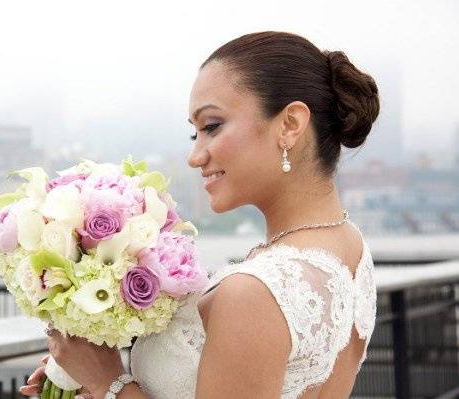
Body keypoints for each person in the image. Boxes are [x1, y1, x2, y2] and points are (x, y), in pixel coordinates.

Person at [19, 31, 379, 398]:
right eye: (195, 134)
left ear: (289, 125)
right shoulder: (349, 248)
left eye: (211, 126)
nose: (196, 156)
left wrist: (107, 381)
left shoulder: (255, 292)